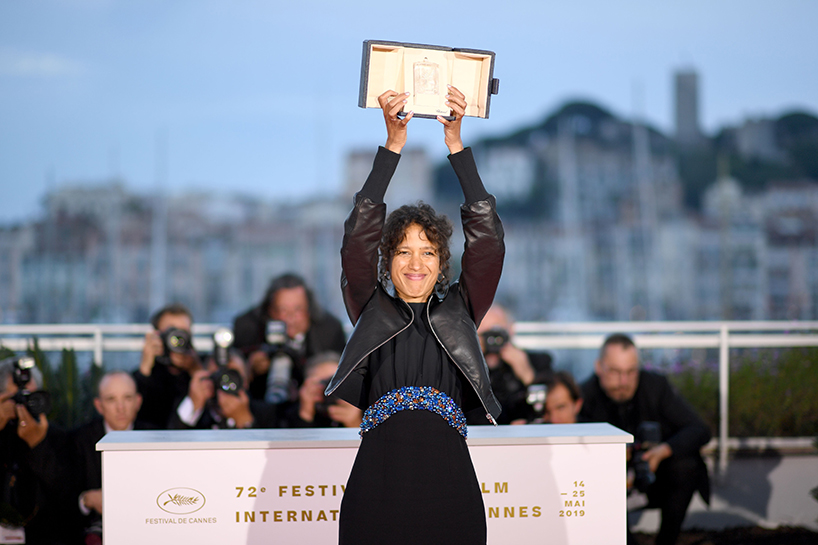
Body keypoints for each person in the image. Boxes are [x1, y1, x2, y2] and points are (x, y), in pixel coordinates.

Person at [325, 86, 503, 545]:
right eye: (403, 251)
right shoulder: (371, 308)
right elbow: (357, 240)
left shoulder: (462, 309)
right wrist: (393, 146)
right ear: (388, 261)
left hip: (449, 480)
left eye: (427, 252)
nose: (415, 262)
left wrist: (456, 147)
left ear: (442, 263)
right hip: (378, 479)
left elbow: (488, 244)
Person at [579, 333, 711, 545]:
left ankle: (666, 542)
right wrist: (612, 460)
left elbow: (699, 429)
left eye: (631, 372)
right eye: (615, 372)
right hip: (606, 486)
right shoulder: (583, 397)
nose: (623, 381)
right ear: (599, 367)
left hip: (654, 478)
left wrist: (663, 451)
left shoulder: (656, 387)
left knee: (686, 464)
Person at [232, 273, 347, 402]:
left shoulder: (330, 331)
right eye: (283, 310)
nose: (290, 318)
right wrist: (250, 368)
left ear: (309, 311)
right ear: (269, 311)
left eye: (297, 310)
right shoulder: (247, 329)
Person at [0, 356, 76, 545]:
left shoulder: (58, 437)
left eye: (30, 397)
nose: (24, 405)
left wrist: (38, 445)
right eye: (16, 398)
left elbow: (68, 498)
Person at [70, 371, 151, 543]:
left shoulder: (154, 437)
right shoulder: (79, 440)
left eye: (127, 398)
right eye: (111, 399)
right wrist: (86, 499)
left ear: (138, 402)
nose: (120, 407)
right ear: (99, 406)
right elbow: (63, 499)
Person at [473, 304, 552, 424]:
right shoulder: (465, 368)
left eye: (496, 333)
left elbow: (551, 407)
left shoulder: (537, 362)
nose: (491, 341)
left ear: (510, 331)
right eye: (484, 334)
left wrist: (528, 375)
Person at [169, 349, 278, 430]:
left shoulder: (265, 413)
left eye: (233, 375)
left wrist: (245, 422)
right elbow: (171, 442)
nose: (225, 382)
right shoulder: (193, 412)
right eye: (218, 375)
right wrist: (193, 405)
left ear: (246, 380)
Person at [133, 303, 202, 428]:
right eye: (171, 332)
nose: (177, 340)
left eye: (183, 333)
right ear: (158, 335)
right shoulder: (148, 375)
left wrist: (196, 370)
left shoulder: (198, 367)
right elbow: (134, 415)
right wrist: (145, 367)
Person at [286, 352, 362, 428]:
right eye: (323, 383)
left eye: (335, 382)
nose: (328, 389)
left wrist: (355, 422)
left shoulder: (362, 407)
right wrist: (305, 413)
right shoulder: (289, 412)